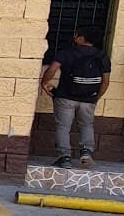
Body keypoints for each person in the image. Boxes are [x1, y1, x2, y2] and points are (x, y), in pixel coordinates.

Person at [39, 27, 111, 168]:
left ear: (82, 38)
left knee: (63, 126)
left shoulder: (67, 52)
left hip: (65, 96)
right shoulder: (102, 56)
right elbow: (106, 81)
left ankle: (64, 157)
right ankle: (86, 153)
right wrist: (96, 97)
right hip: (89, 98)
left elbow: (53, 69)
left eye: (77, 35)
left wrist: (45, 82)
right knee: (86, 125)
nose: (75, 37)